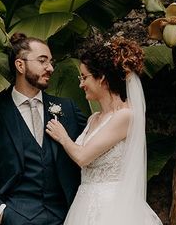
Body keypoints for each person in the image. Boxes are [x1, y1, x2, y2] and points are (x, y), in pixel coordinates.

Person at [0, 33, 87, 225]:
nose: (50, 68)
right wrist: (1, 212)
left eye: (50, 62)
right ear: (20, 65)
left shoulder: (68, 109)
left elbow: (95, 147)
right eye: (42, 61)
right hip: (16, 216)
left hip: (68, 217)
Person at [45, 36, 162, 225]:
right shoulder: (93, 119)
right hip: (84, 203)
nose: (81, 84)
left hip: (113, 208)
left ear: (102, 78)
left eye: (84, 77)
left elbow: (83, 157)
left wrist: (63, 137)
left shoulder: (125, 116)